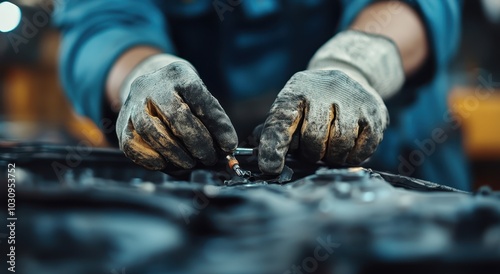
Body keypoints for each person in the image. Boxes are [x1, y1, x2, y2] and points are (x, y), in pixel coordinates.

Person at [53, 0, 470, 190]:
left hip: (401, 168)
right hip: (199, 187)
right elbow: (102, 21)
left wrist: (355, 65)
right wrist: (141, 77)